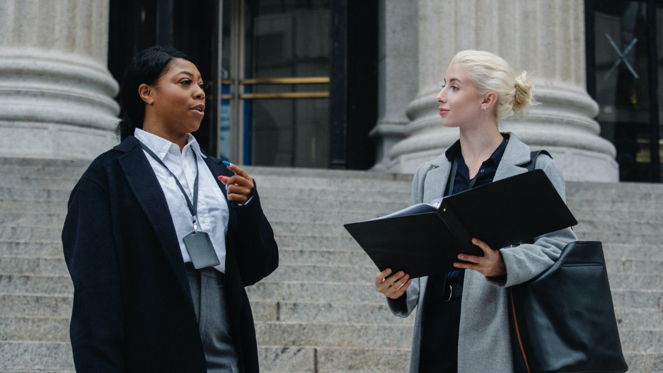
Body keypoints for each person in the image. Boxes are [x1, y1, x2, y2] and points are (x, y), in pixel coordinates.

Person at [62, 46, 278, 372]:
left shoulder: (219, 172)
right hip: (150, 327)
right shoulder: (109, 175)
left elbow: (257, 264)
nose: (199, 93)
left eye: (201, 85)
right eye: (185, 82)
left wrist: (248, 204)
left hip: (223, 325)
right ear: (147, 93)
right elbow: (95, 287)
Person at [374, 50, 576, 373]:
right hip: (435, 333)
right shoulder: (430, 174)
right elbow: (418, 262)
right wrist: (398, 288)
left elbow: (559, 248)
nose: (440, 96)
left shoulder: (535, 168)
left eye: (454, 87)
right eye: (443, 85)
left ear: (486, 100)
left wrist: (502, 264)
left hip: (499, 334)